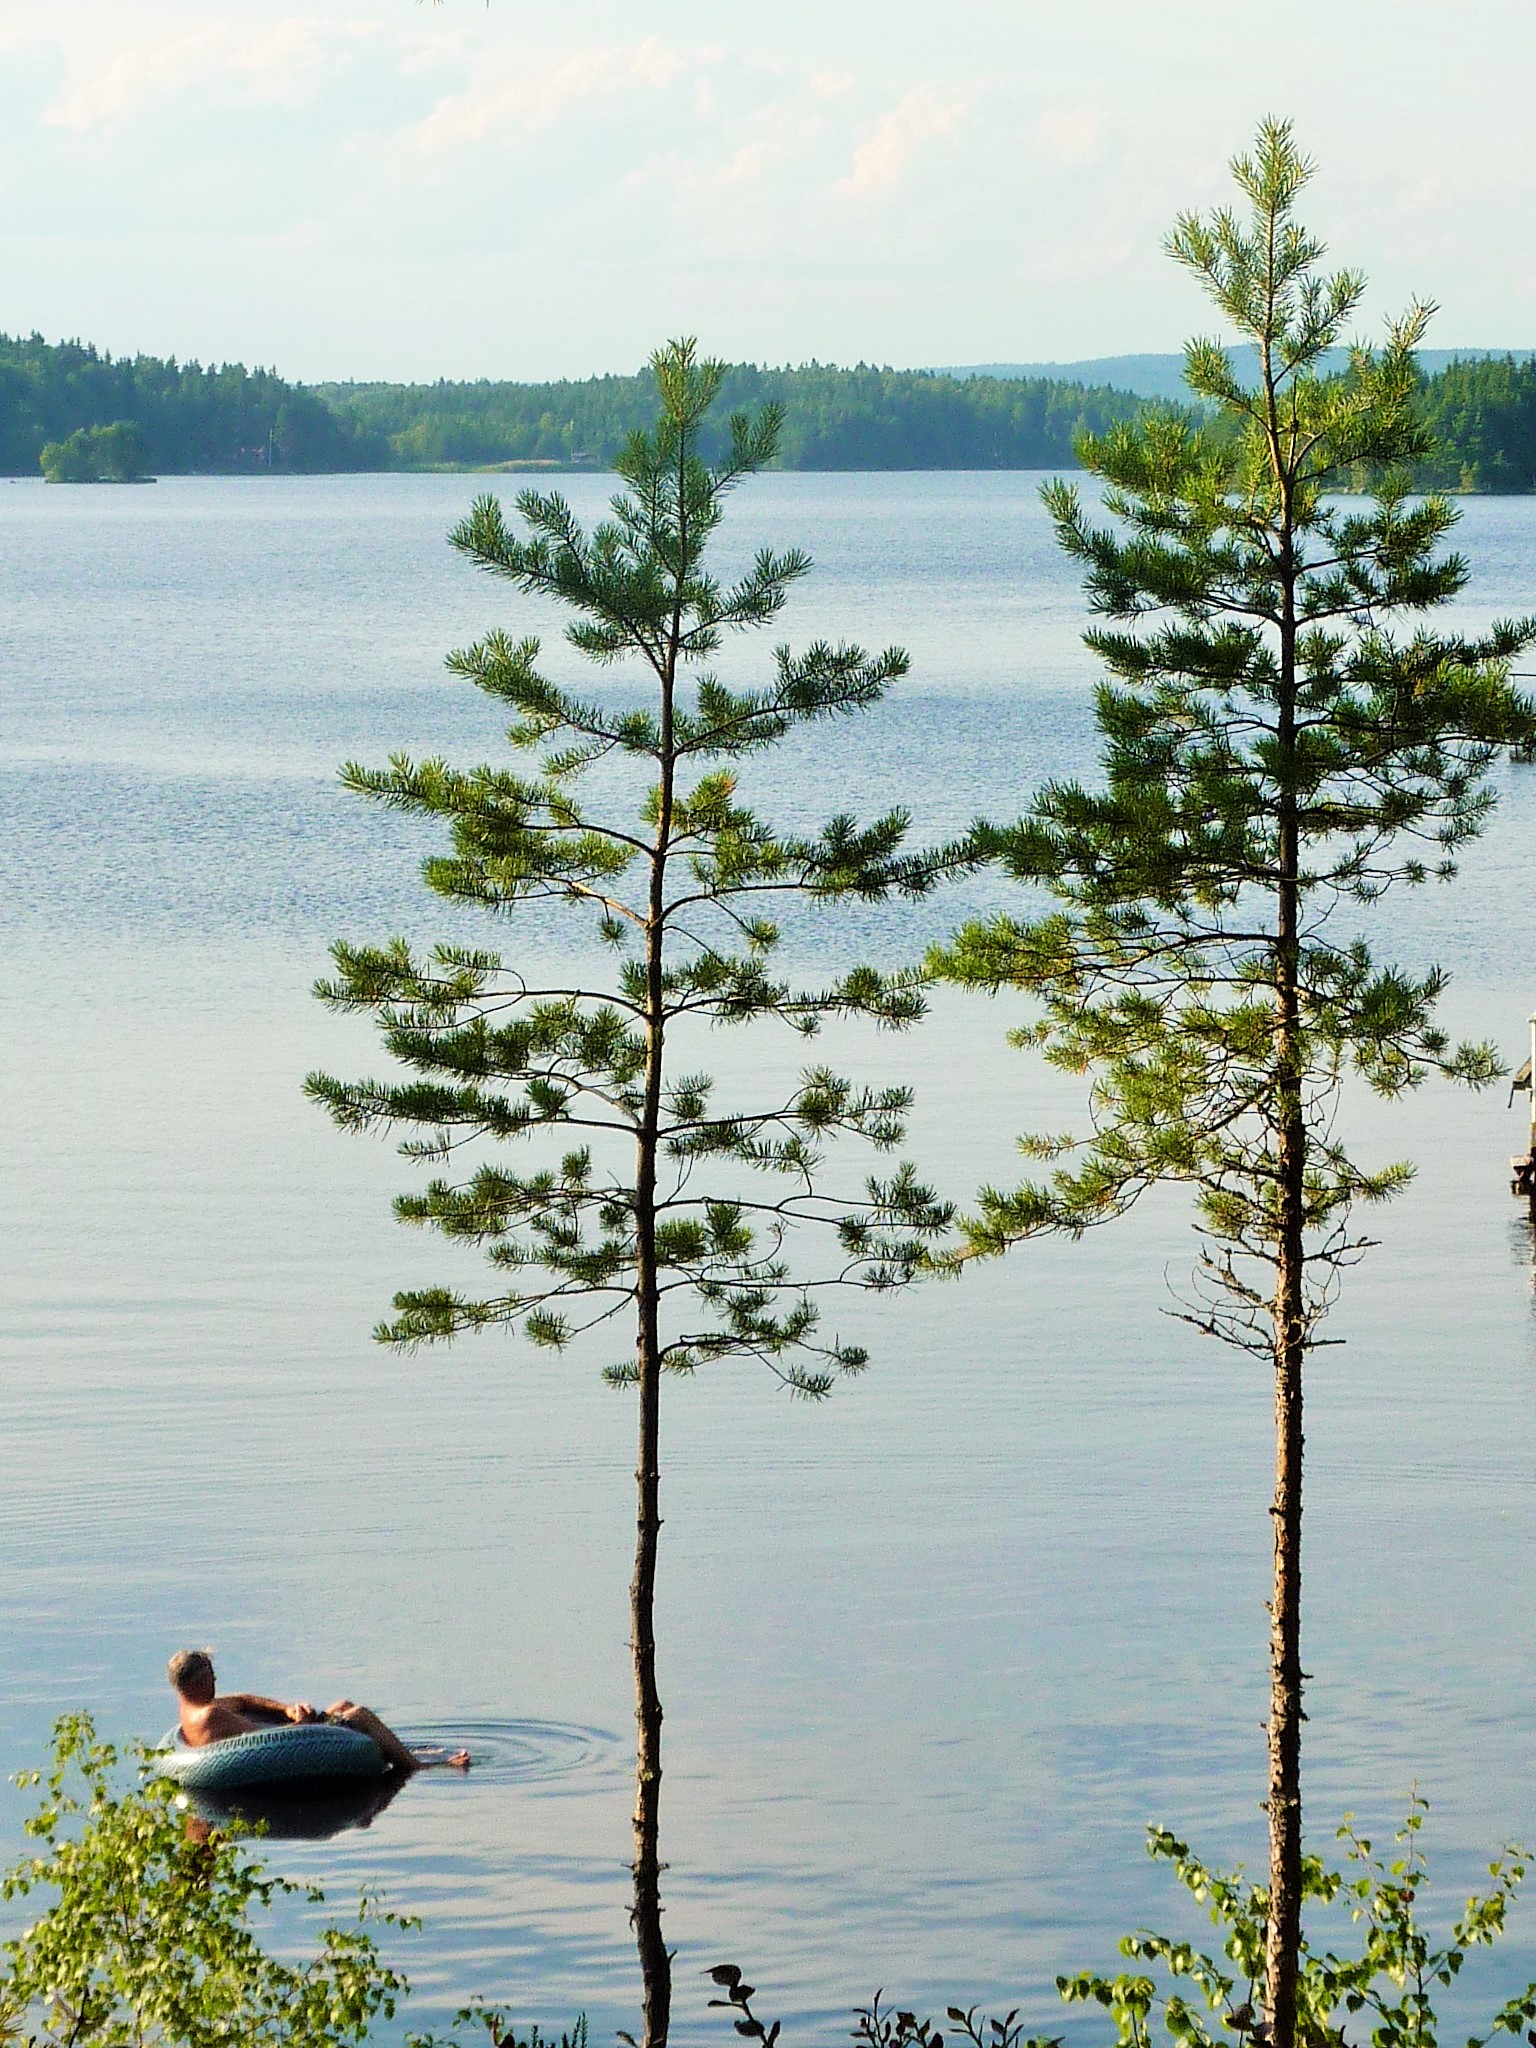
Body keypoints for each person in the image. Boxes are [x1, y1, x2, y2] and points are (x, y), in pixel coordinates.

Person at [168, 1649, 469, 1773]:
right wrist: (302, 1725)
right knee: (359, 1714)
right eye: (211, 1675)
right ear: (197, 1681)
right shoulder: (210, 1716)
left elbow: (245, 1701)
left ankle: (409, 1750)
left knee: (341, 1705)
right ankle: (417, 1766)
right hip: (284, 1747)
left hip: (286, 1733)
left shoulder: (194, 1709)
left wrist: (287, 1709)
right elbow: (261, 1741)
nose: (216, 1679)